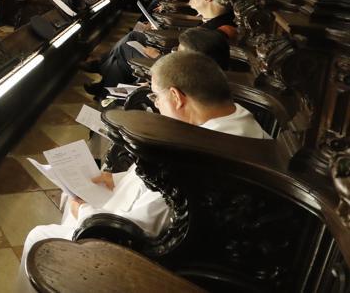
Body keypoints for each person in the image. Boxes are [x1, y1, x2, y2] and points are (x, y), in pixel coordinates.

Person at [16, 52, 268, 292]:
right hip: (203, 241)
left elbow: (139, 229)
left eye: (157, 96)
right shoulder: (241, 119)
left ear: (177, 97)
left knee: (39, 238)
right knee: (74, 193)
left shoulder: (193, 156)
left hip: (152, 254)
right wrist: (113, 178)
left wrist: (82, 211)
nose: (156, 104)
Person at [83, 0, 238, 95]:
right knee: (131, 40)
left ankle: (105, 89)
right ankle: (105, 91)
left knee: (124, 52)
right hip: (172, 60)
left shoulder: (220, 30)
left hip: (175, 75)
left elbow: (191, 70)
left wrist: (158, 56)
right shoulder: (214, 20)